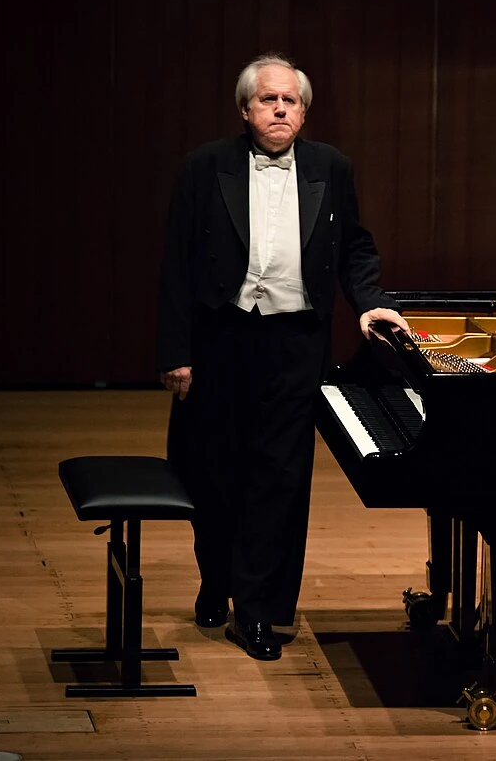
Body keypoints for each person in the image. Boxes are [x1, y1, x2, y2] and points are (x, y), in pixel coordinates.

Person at [156, 53, 409, 661]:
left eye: (289, 100)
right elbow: (176, 264)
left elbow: (355, 247)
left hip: (297, 345)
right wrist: (177, 352)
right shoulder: (205, 167)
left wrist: (369, 303)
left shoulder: (331, 167)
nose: (278, 108)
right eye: (267, 99)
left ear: (303, 110)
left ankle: (263, 611)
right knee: (211, 472)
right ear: (246, 110)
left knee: (282, 479)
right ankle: (216, 581)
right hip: (222, 340)